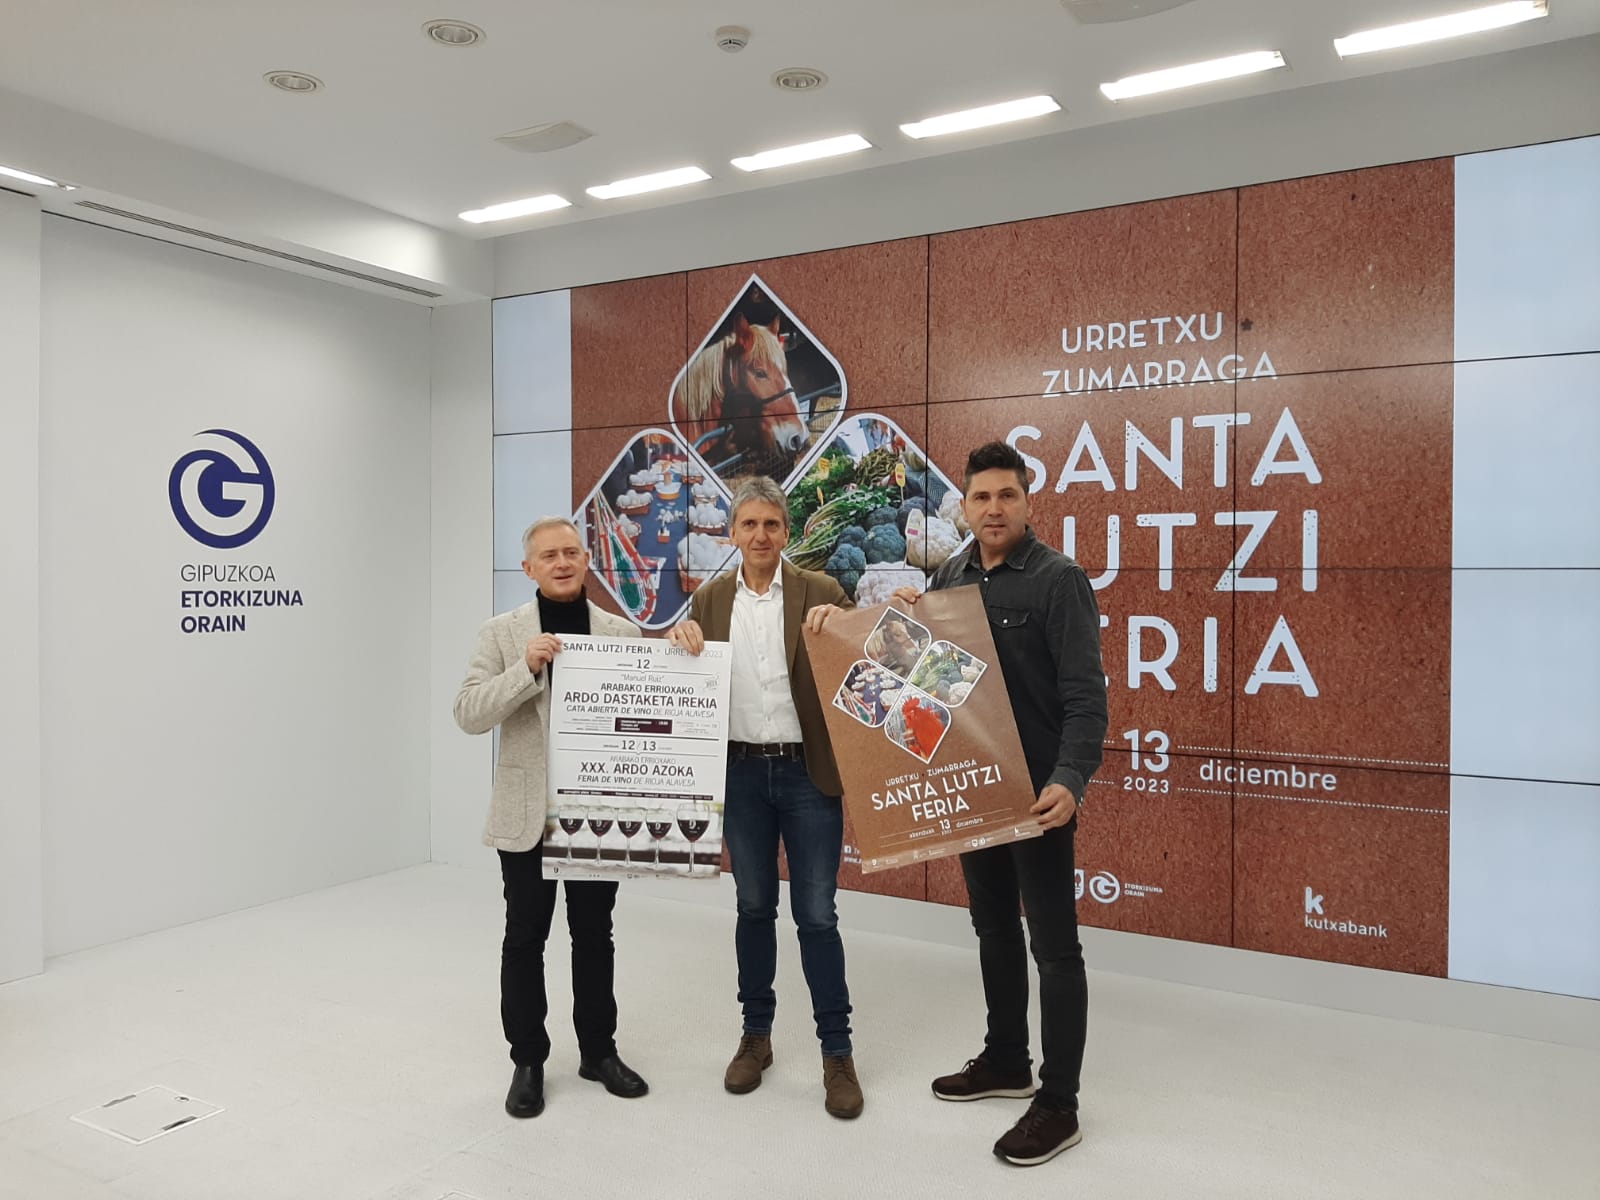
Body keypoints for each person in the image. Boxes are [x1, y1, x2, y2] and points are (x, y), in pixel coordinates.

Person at [897, 441, 1108, 1167]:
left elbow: (1086, 699)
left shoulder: (1059, 581)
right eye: (980, 497)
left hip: (1036, 796)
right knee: (992, 929)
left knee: (1055, 949)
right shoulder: (949, 576)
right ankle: (1007, 1059)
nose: (993, 509)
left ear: (1028, 502)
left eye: (1006, 496)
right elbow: (932, 680)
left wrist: (1070, 779)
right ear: (963, 504)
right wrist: (898, 623)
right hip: (972, 791)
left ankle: (1059, 1103)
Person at [666, 476, 864, 1119]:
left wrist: (846, 624)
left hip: (809, 775)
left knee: (817, 916)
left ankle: (837, 1053)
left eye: (770, 525)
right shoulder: (709, 599)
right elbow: (685, 678)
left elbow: (874, 650)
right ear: (733, 532)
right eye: (747, 525)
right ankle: (757, 1038)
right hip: (741, 777)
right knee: (753, 908)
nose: (759, 536)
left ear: (787, 531)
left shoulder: (822, 591)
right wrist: (677, 642)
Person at [454, 516, 650, 1118]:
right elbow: (468, 712)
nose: (562, 563)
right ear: (529, 568)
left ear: (586, 560)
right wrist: (525, 670)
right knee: (526, 936)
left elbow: (651, 710)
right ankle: (529, 1061)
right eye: (549, 555)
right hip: (527, 812)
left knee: (595, 935)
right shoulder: (502, 633)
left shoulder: (622, 631)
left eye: (571, 552)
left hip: (595, 809)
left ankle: (598, 1051)